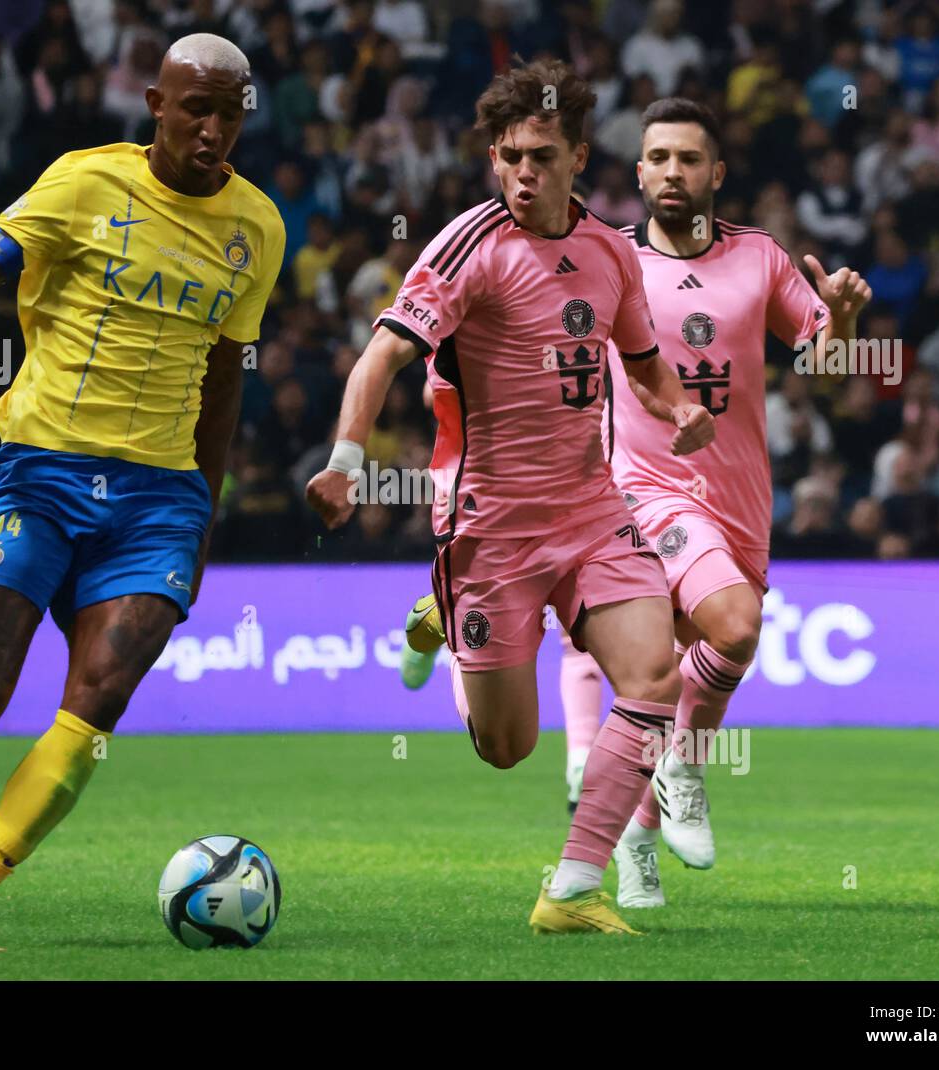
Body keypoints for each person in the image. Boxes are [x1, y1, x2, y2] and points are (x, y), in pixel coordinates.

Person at [0, 33, 284, 951]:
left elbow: (225, 379)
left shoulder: (260, 230)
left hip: (160, 498)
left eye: (230, 112)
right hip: (42, 470)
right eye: (194, 108)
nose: (212, 130)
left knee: (99, 697)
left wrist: (203, 516)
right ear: (155, 103)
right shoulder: (83, 182)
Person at [306, 58, 715, 936]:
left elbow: (644, 370)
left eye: (539, 156)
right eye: (507, 157)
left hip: (593, 513)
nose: (521, 174)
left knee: (652, 675)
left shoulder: (611, 251)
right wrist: (345, 460)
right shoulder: (467, 248)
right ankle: (443, 625)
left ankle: (570, 886)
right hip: (489, 527)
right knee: (507, 749)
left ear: (576, 155)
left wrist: (681, 411)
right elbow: (381, 354)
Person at [567, 98, 869, 906]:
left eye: (689, 159)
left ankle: (632, 838)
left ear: (717, 174)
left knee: (661, 680)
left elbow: (825, 370)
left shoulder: (761, 258)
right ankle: (687, 769)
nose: (673, 172)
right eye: (658, 157)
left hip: (740, 500)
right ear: (638, 173)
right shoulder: (606, 260)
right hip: (643, 490)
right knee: (735, 624)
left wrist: (837, 322)